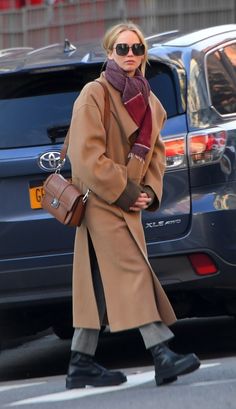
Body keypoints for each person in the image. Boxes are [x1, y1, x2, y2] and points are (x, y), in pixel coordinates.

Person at [66, 21, 200, 389]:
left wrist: (149, 193)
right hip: (101, 199)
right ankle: (162, 353)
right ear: (109, 53)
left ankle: (81, 362)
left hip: (129, 202)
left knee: (96, 281)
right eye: (122, 49)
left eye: (136, 49)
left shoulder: (151, 102)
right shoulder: (94, 94)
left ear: (144, 54)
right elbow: (85, 156)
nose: (130, 55)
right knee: (133, 272)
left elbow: (157, 154)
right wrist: (127, 190)